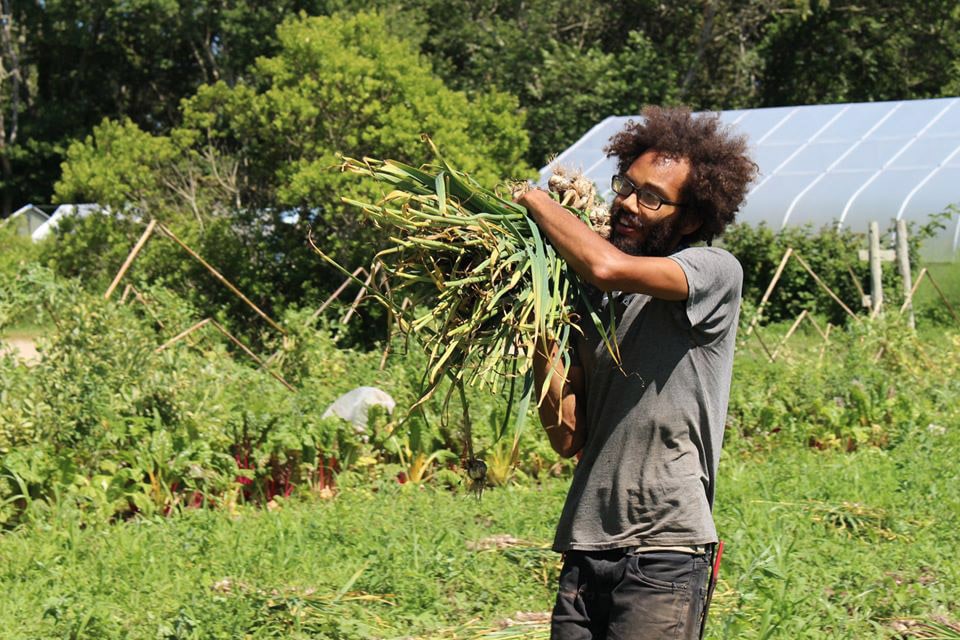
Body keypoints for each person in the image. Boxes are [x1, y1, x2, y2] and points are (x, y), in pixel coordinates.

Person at [516, 105, 757, 640]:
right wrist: (537, 332)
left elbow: (605, 262)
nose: (627, 203)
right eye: (626, 185)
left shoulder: (713, 273)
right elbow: (567, 436)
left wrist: (532, 199)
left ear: (691, 218)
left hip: (664, 553)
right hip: (584, 547)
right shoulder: (595, 303)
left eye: (651, 197)